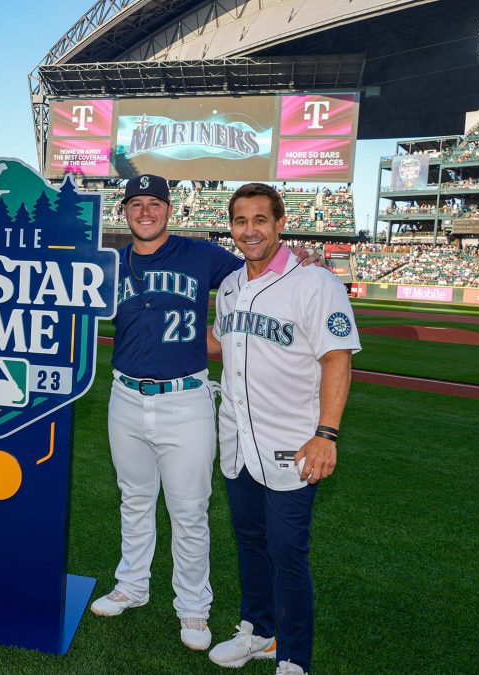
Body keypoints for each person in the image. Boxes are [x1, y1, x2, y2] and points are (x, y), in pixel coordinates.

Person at [90, 174, 323, 653]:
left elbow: (259, 267)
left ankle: (193, 608)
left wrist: (300, 259)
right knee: (133, 498)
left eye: (155, 203)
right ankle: (132, 586)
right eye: (137, 204)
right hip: (125, 396)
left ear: (169, 210)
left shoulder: (202, 255)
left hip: (186, 399)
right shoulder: (109, 264)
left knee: (190, 510)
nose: (146, 211)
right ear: (124, 212)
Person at [208, 183, 359, 675]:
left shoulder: (317, 284)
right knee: (249, 541)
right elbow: (225, 346)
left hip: (293, 444)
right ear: (230, 228)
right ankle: (259, 631)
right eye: (240, 221)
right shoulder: (229, 287)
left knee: (287, 552)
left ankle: (294, 658)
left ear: (278, 224)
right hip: (236, 440)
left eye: (260, 220)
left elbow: (337, 359)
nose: (250, 231)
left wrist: (327, 434)